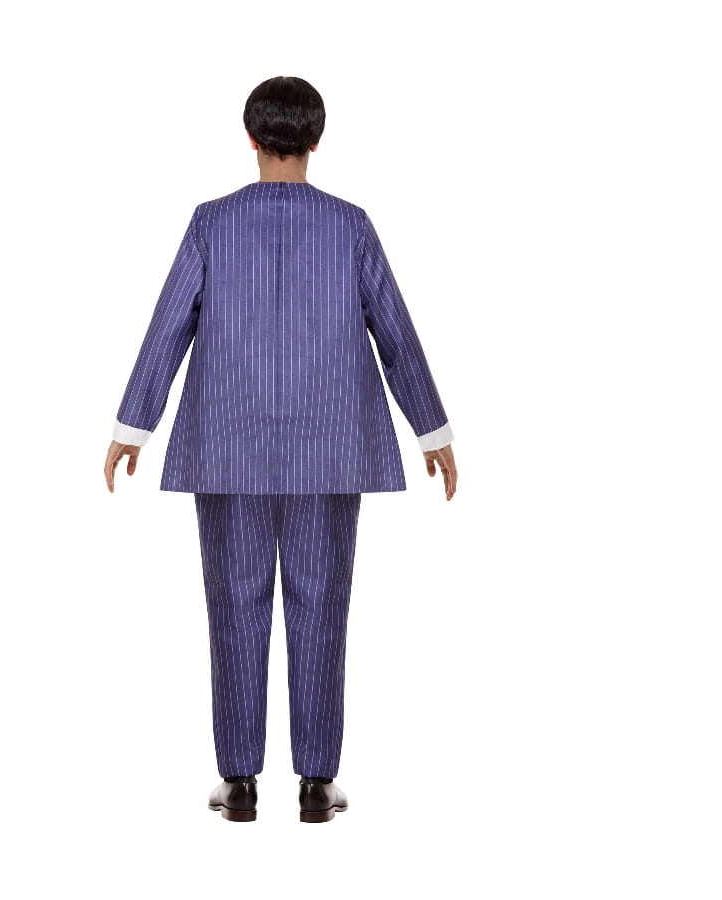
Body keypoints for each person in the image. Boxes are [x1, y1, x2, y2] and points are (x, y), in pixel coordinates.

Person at [104, 75, 457, 823]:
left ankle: (238, 783)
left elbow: (169, 324)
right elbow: (395, 332)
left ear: (251, 139)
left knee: (233, 602)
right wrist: (432, 431)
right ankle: (317, 784)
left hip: (227, 444)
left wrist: (132, 427)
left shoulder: (212, 222)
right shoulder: (350, 225)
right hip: (330, 446)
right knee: (321, 602)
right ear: (316, 141)